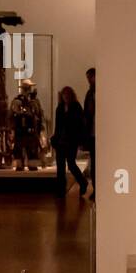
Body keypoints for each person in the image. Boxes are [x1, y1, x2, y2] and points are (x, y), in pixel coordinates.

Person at [52, 86, 89, 198]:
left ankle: (83, 182)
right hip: (61, 141)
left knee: (71, 164)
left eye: (67, 94)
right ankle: (61, 189)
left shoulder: (76, 107)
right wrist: (55, 138)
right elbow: (58, 126)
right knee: (60, 166)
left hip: (71, 140)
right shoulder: (60, 108)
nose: (66, 97)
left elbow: (80, 125)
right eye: (64, 95)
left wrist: (80, 140)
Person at [10, 79, 44, 170]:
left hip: (31, 131)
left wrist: (40, 129)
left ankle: (31, 167)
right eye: (26, 88)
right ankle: (20, 167)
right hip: (20, 131)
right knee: (19, 154)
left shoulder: (34, 101)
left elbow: (39, 115)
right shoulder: (17, 101)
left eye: (28, 88)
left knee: (32, 153)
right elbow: (12, 116)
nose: (28, 90)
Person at [82, 67, 95, 196]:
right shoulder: (90, 94)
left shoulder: (92, 93)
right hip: (92, 133)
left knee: (96, 162)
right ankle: (96, 188)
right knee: (95, 162)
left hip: (95, 132)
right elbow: (87, 114)